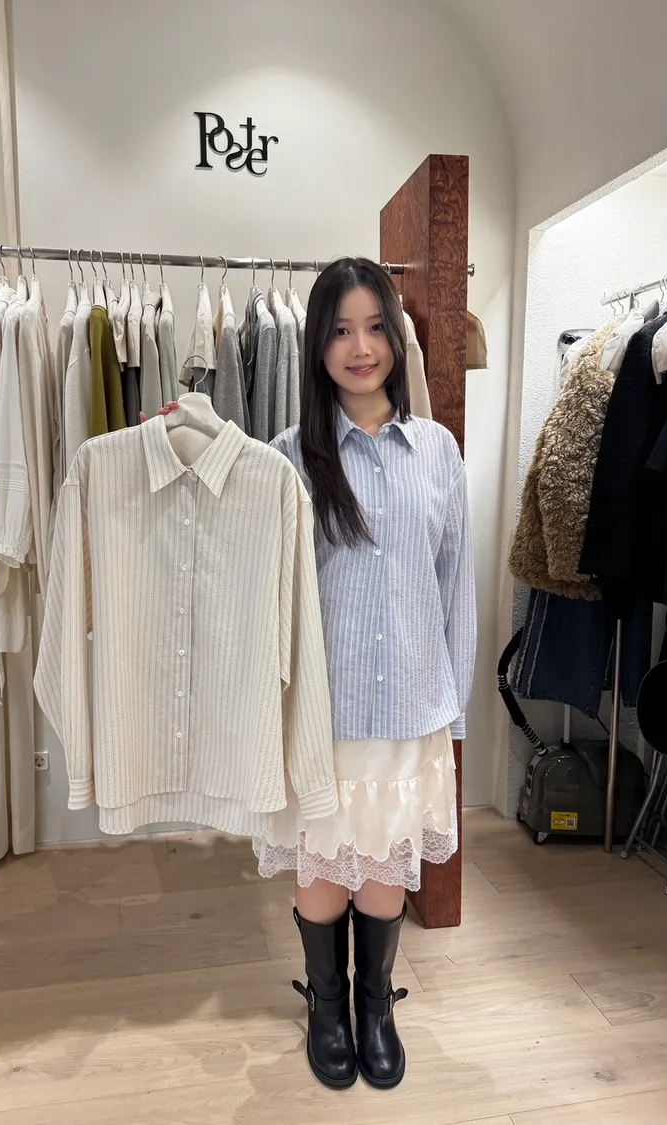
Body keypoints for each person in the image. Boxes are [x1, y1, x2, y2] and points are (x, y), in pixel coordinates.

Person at [251, 257, 476, 1091]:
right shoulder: (288, 458)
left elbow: (455, 584)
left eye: (376, 327)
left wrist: (453, 710)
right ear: (317, 344)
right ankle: (327, 1006)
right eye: (341, 330)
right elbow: (265, 592)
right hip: (324, 714)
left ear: (397, 336)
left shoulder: (437, 451)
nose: (361, 347)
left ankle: (375, 1004)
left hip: (410, 705)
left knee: (384, 872)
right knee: (321, 872)